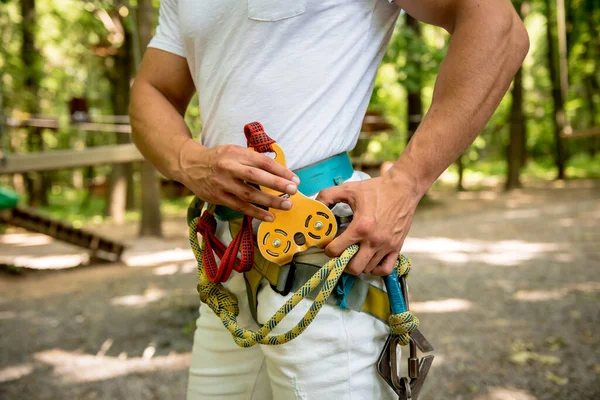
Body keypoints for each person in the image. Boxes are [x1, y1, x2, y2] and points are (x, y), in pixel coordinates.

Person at [129, 0, 529, 398]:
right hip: (227, 265)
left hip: (321, 258)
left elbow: (497, 23)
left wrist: (406, 182)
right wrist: (188, 160)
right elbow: (153, 89)